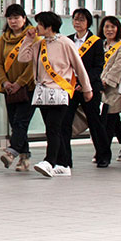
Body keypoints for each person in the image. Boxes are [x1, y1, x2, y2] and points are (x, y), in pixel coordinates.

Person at [17, 11, 93, 178]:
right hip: (43, 92)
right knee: (52, 128)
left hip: (60, 91)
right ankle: (64, 164)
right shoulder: (38, 44)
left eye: (39, 24)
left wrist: (87, 89)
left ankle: (49, 161)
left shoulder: (66, 43)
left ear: (49, 26)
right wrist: (29, 39)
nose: (36, 27)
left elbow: (79, 67)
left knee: (54, 127)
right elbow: (22, 58)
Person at [65, 8, 110, 169]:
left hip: (89, 88)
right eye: (75, 19)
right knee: (65, 122)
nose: (78, 22)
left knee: (94, 122)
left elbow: (98, 67)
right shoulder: (68, 40)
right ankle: (65, 159)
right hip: (70, 88)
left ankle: (103, 155)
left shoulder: (97, 42)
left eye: (82, 19)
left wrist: (84, 83)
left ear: (88, 22)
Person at [0, 4, 36, 172]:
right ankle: (24, 157)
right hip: (9, 89)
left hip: (28, 87)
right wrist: (5, 82)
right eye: (10, 18)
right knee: (15, 122)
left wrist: (20, 82)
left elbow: (33, 64)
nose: (13, 21)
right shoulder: (4, 38)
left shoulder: (33, 36)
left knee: (21, 121)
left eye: (16, 17)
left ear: (24, 19)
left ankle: (11, 152)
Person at [97, 16, 121, 162]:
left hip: (114, 89)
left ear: (118, 29)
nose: (109, 30)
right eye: (107, 27)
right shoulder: (101, 45)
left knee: (109, 121)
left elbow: (119, 67)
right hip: (101, 89)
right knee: (114, 119)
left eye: (113, 27)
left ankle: (103, 153)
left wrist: (106, 81)